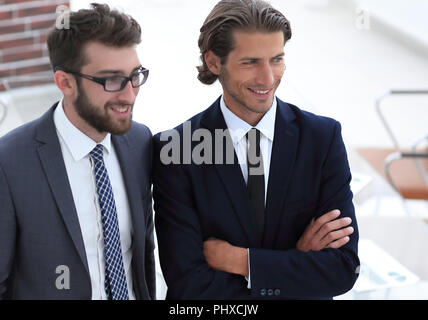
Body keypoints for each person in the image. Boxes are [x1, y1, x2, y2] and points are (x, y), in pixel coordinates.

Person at [153, 0, 359, 299]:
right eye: (250, 62)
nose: (267, 78)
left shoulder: (322, 138)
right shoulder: (176, 150)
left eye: (276, 59)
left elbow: (342, 268)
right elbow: (190, 286)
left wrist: (243, 262)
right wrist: (296, 258)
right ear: (213, 62)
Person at [0, 3, 155, 300]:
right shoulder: (9, 163)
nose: (129, 93)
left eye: (135, 75)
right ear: (65, 82)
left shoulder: (140, 142)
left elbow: (142, 258)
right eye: (111, 80)